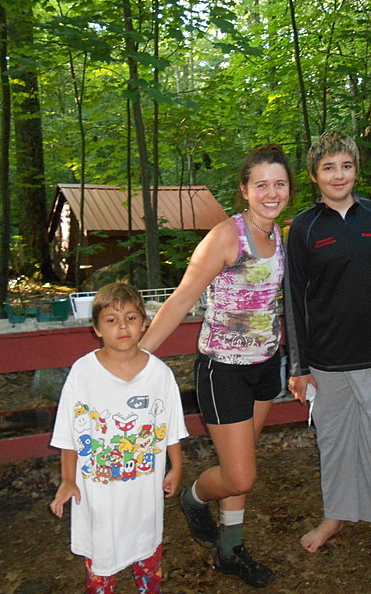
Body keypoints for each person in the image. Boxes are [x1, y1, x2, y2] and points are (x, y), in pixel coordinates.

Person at [138, 144, 294, 588]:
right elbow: (183, 298)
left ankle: (230, 550)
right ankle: (192, 497)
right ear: (244, 190)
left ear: (288, 190)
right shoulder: (227, 236)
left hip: (267, 364)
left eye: (278, 184)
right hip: (222, 369)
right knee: (240, 474)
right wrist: (140, 355)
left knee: (238, 466)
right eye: (261, 184)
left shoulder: (279, 233)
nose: (270, 192)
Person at [284, 130, 371, 556]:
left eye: (345, 166)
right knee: (335, 439)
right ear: (314, 176)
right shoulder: (304, 228)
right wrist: (299, 366)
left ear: (356, 169)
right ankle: (335, 514)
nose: (338, 175)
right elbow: (293, 301)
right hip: (328, 358)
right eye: (328, 168)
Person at [50, 282, 188, 594]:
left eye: (131, 318)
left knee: (148, 557)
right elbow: (69, 433)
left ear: (144, 323)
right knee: (101, 565)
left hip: (144, 494)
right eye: (111, 320)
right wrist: (67, 479)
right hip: (99, 497)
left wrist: (177, 466)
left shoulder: (160, 374)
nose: (122, 326)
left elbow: (171, 425)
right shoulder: (82, 374)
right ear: (96, 328)